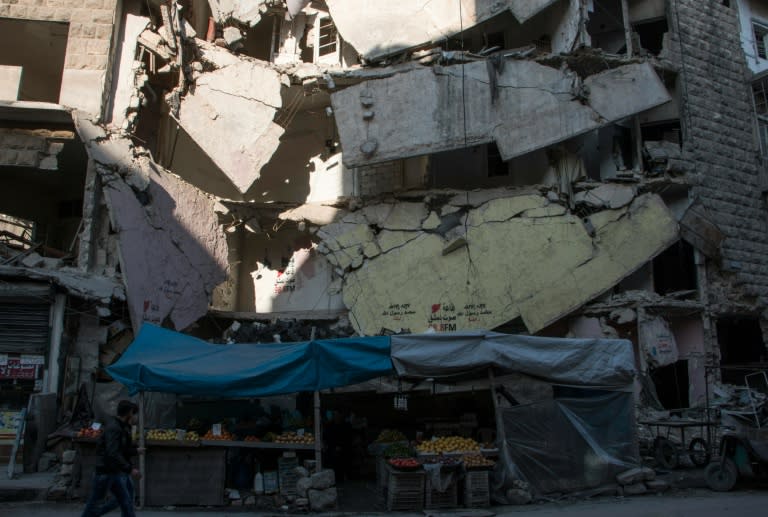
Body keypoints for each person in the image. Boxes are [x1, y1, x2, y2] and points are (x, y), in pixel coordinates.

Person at [81, 400, 143, 517]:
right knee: (95, 504)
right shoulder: (114, 428)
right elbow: (113, 452)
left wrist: (135, 451)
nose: (136, 416)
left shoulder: (122, 427)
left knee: (126, 502)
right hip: (105, 471)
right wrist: (129, 469)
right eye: (134, 413)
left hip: (114, 471)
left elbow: (121, 449)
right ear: (129, 413)